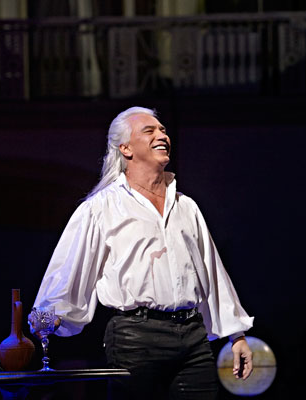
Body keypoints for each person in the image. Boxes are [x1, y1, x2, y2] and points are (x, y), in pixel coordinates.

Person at [32, 106, 254, 399]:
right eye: (149, 131)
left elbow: (211, 273)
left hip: (192, 336)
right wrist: (51, 314)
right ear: (125, 148)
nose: (162, 135)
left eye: (163, 130)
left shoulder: (186, 206)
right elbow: (71, 264)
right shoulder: (102, 207)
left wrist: (236, 335)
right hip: (135, 337)